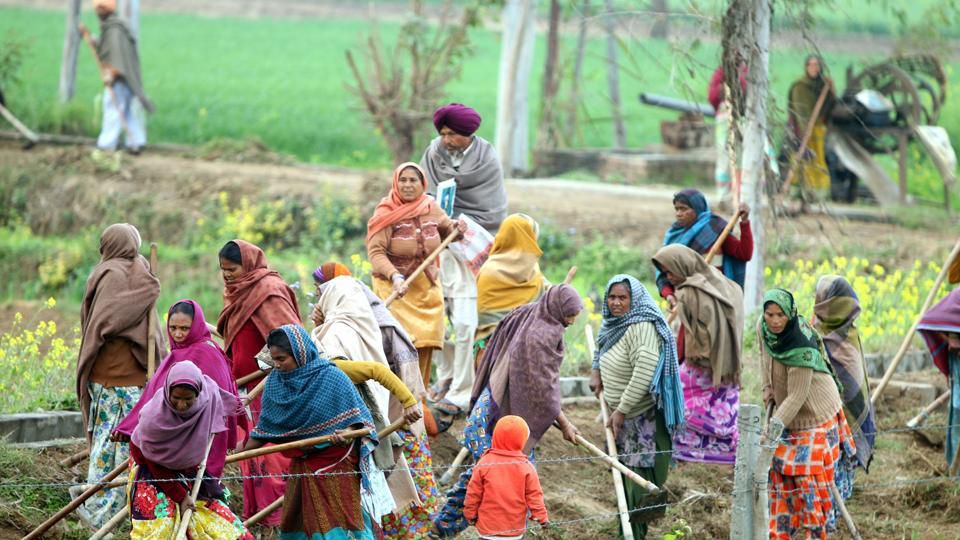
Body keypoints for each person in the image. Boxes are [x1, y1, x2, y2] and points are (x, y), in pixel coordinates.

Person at [434, 284, 584, 537]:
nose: (569, 322)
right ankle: (504, 531)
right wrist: (566, 425)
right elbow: (544, 391)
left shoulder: (528, 313)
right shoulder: (542, 335)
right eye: (568, 315)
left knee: (482, 474)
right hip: (495, 420)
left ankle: (443, 527)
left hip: (488, 411)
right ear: (557, 309)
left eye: (573, 316)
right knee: (510, 476)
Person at [243, 324, 411, 539]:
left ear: (300, 353)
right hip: (302, 462)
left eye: (282, 359)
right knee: (299, 516)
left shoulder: (330, 376)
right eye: (274, 360)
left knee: (340, 516)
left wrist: (345, 433)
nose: (277, 365)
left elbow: (358, 419)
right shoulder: (276, 382)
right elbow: (265, 428)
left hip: (336, 460)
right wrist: (237, 452)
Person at [311, 275, 441, 538]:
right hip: (391, 413)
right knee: (397, 483)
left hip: (385, 416)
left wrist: (405, 402)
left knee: (388, 482)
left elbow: (368, 370)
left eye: (321, 295)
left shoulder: (341, 330)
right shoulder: (367, 322)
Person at [420, 103, 507, 426]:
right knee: (437, 320)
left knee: (467, 323)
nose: (445, 140)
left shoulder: (487, 159)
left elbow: (493, 210)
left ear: (467, 134)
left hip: (473, 247)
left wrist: (462, 225)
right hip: (438, 247)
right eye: (442, 133)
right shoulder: (433, 153)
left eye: (452, 134)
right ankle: (444, 379)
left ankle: (463, 388)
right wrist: (440, 220)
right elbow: (423, 195)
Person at [74, 222, 164, 529]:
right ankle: (123, 506)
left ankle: (102, 506)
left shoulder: (108, 273)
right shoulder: (144, 270)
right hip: (139, 375)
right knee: (131, 443)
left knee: (107, 441)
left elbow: (104, 322)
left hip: (110, 377)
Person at [432, 213, 547, 431]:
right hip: (504, 354)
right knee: (508, 409)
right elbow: (489, 319)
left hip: (494, 353)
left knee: (498, 408)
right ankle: (502, 446)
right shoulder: (518, 273)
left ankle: (496, 443)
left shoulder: (521, 272)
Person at [589, 275, 684, 539]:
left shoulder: (641, 325)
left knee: (639, 484)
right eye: (612, 297)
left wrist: (621, 411)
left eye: (622, 298)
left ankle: (633, 534)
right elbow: (602, 345)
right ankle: (628, 532)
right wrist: (596, 369)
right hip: (623, 415)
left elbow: (644, 371)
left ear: (634, 300)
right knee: (627, 482)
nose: (616, 303)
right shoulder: (613, 324)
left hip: (643, 418)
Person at [216, 239, 301, 531]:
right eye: (223, 270)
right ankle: (261, 522)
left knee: (271, 456)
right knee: (251, 457)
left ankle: (280, 521)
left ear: (249, 265)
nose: (227, 275)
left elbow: (291, 338)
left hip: (269, 388)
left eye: (232, 268)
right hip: (245, 393)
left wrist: (265, 365)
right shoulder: (238, 292)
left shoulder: (267, 292)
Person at [760, 288, 856, 539]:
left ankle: (816, 530)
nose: (775, 321)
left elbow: (797, 396)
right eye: (770, 314)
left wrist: (772, 430)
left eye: (781, 315)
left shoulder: (801, 346)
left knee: (809, 479)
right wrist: (767, 387)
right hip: (788, 414)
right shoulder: (766, 331)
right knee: (780, 475)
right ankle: (784, 527)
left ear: (790, 314)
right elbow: (764, 358)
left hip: (816, 415)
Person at [115, 299, 246, 483]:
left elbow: (216, 404)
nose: (177, 334)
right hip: (172, 436)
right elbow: (154, 397)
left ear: (196, 326)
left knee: (191, 492)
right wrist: (130, 426)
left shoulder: (205, 353)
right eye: (173, 327)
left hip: (195, 440)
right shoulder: (179, 352)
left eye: (184, 328)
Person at [366, 162, 464, 391]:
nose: (408, 185)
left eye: (413, 180)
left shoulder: (431, 207)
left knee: (426, 343)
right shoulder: (385, 213)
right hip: (396, 289)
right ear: (395, 182)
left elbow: (448, 231)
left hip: (427, 287)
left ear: (423, 184)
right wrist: (395, 277)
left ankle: (419, 398)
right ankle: (400, 399)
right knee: (401, 345)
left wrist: (456, 230)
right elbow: (376, 252)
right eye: (403, 180)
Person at [128, 361, 252, 538]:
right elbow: (149, 460)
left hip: (190, 473)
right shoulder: (153, 420)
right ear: (167, 391)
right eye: (176, 398)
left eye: (188, 399)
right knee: (159, 530)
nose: (181, 405)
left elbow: (218, 395)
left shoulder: (206, 400)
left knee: (221, 526)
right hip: (152, 472)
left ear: (199, 394)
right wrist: (179, 496)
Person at [652, 244, 742, 464]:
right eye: (664, 273)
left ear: (682, 266)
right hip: (727, 360)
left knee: (671, 393)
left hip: (703, 363)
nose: (668, 277)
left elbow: (690, 335)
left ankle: (686, 449)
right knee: (719, 404)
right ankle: (720, 450)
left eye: (670, 271)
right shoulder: (720, 281)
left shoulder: (690, 292)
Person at [812, 276, 876, 497]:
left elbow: (852, 383)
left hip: (842, 414)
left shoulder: (847, 335)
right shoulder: (815, 334)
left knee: (841, 456)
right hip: (824, 413)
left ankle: (839, 495)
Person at [79, 0, 154, 155]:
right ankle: (136, 142)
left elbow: (118, 57)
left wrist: (111, 74)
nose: (98, 12)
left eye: (100, 9)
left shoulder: (114, 30)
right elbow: (109, 49)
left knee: (113, 109)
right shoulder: (113, 27)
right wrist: (92, 40)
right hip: (127, 78)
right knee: (126, 111)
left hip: (120, 79)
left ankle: (106, 145)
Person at [657, 189, 752, 301]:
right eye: (677, 209)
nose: (678, 214)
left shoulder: (714, 228)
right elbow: (664, 273)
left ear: (697, 209)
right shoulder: (673, 237)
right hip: (685, 301)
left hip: (716, 299)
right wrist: (668, 294)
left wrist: (744, 222)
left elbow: (744, 253)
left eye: (683, 209)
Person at [463, 415, 549, 539]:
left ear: (495, 435)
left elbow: (473, 493)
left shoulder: (485, 462)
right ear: (523, 440)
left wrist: (469, 514)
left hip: (487, 530)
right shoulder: (526, 466)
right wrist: (542, 517)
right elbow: (534, 495)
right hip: (514, 531)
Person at [917, 288, 960, 474]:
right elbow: (930, 322)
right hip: (958, 365)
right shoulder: (957, 296)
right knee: (958, 410)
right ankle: (956, 473)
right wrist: (952, 340)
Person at [787, 54, 836, 200]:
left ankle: (816, 194)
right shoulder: (799, 86)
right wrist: (803, 131)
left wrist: (831, 90)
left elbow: (829, 107)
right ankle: (797, 192)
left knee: (817, 160)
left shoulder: (824, 86)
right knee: (800, 160)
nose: (814, 68)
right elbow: (798, 110)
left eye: (817, 65)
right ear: (806, 67)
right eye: (811, 65)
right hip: (800, 130)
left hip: (818, 129)